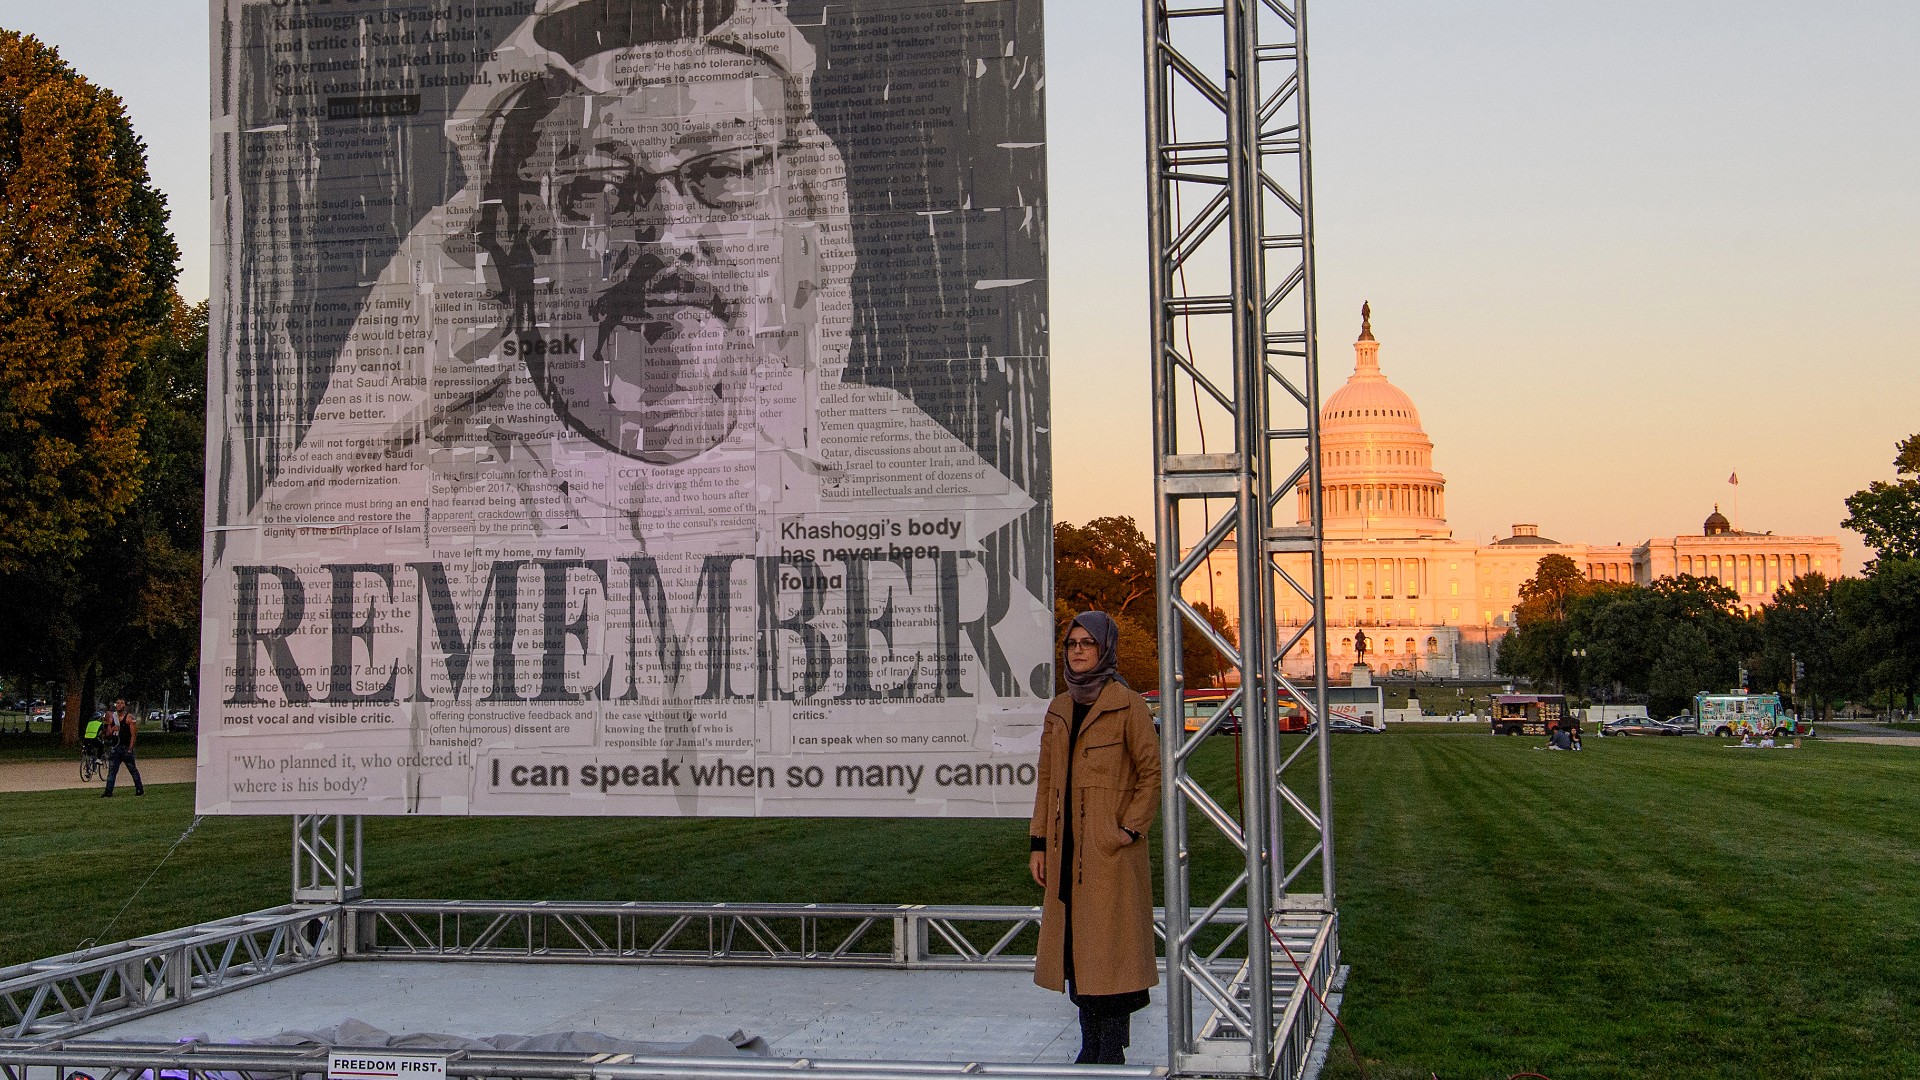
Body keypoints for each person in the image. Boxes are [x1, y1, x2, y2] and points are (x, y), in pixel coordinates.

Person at [1028, 613, 1161, 1065]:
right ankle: (1091, 1044)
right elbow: (1047, 781)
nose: (1078, 650)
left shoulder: (1128, 705)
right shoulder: (1060, 708)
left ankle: (1110, 1048)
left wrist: (1127, 828)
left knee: (1111, 951)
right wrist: (1039, 842)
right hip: (1066, 850)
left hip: (1109, 854)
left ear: (1104, 649)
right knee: (1074, 952)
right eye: (1071, 644)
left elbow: (1151, 773)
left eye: (1087, 643)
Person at [101, 699, 144, 797]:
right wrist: (111, 729)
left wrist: (130, 748)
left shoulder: (129, 718)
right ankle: (108, 792)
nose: (119, 705)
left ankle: (139, 789)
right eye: (118, 703)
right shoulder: (112, 718)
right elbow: (107, 734)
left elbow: (133, 734)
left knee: (133, 770)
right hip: (116, 748)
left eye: (122, 703)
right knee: (112, 772)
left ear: (125, 706)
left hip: (125, 748)